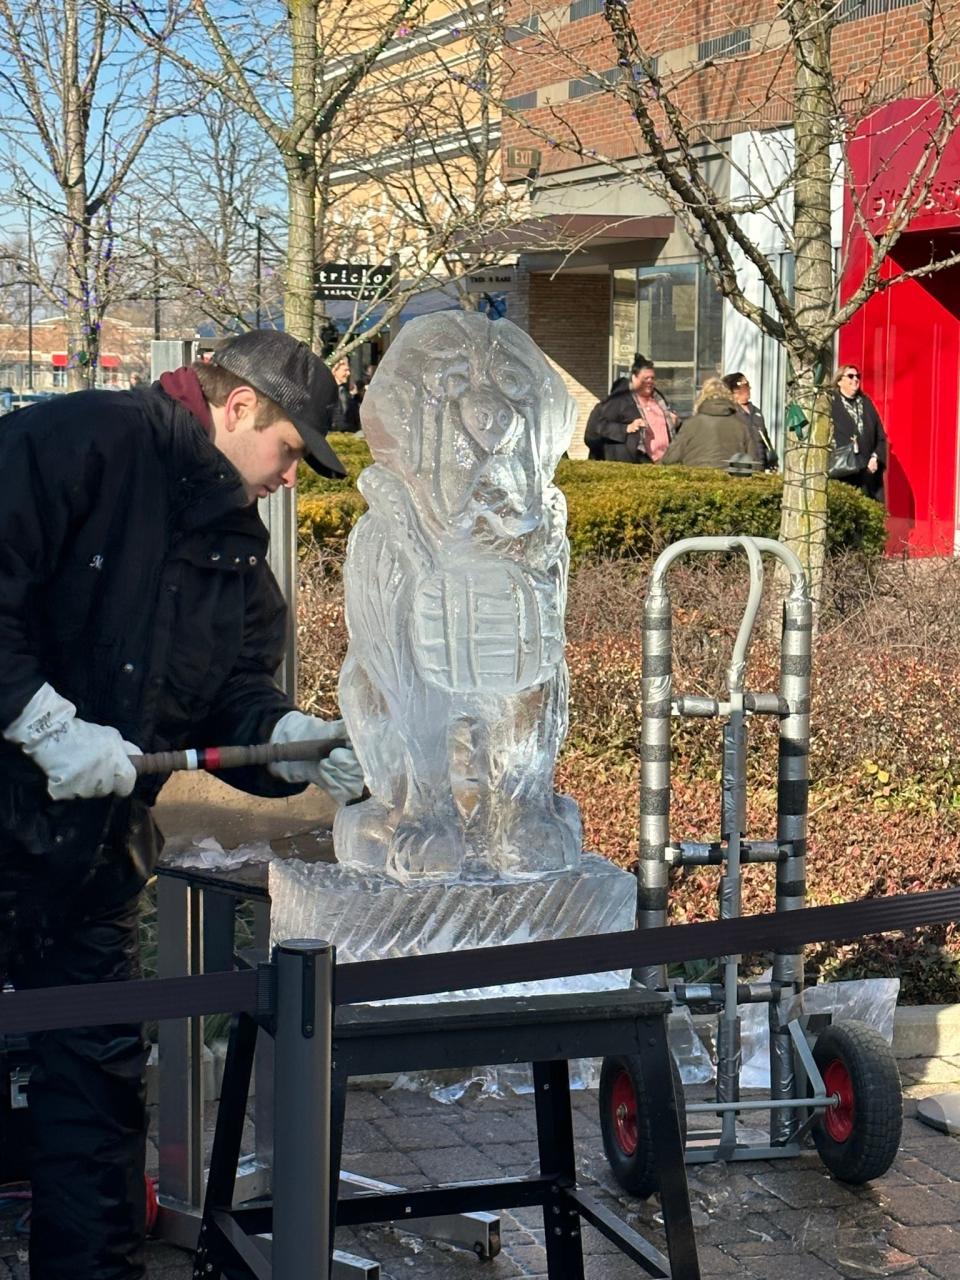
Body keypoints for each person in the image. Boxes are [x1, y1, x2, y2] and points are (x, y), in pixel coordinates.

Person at [0, 329, 366, 1280]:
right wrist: (38, 721)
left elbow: (231, 691)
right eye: (290, 448)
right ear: (237, 407)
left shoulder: (234, 546)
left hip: (90, 857)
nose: (291, 477)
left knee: (92, 1107)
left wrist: (287, 739)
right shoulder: (80, 441)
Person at [583, 359, 680, 462]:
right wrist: (627, 428)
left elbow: (670, 427)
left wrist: (676, 422)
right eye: (645, 378)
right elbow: (598, 427)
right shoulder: (619, 400)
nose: (650, 381)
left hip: (665, 461)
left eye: (652, 378)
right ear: (634, 378)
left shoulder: (659, 399)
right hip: (636, 463)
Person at [660, 376, 753, 469]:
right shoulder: (741, 426)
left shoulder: (691, 424)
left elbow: (669, 459)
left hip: (698, 478)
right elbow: (754, 462)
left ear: (702, 397)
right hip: (731, 480)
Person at [830, 364, 887, 502]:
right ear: (839, 381)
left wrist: (875, 457)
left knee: (872, 511)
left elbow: (880, 436)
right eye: (850, 376)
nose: (855, 379)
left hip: (868, 471)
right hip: (844, 470)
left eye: (858, 376)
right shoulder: (831, 404)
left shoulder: (866, 403)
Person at [722, 371, 778, 469]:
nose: (749, 389)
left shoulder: (756, 412)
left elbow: (764, 438)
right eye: (745, 386)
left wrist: (771, 457)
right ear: (734, 390)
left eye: (748, 385)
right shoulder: (729, 412)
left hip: (759, 466)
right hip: (739, 469)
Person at [330, 355, 362, 432]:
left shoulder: (346, 394)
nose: (348, 373)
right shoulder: (325, 391)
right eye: (345, 370)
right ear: (334, 371)